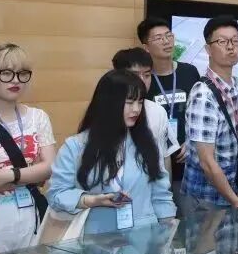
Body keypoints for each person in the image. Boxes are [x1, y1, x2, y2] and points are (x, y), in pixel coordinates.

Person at [47, 70, 175, 235]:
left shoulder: (147, 143)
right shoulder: (76, 146)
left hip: (143, 236)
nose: (136, 109)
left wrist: (167, 234)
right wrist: (91, 200)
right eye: (129, 102)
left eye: (140, 102)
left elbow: (161, 195)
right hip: (96, 238)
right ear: (108, 103)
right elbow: (57, 194)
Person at [0, 43, 56, 254]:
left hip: (33, 213)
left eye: (22, 73)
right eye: (6, 73)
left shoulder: (37, 117)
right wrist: (32, 173)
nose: (15, 80)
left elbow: (50, 167)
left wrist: (7, 176)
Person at [183, 16, 238, 210]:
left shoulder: (236, 84)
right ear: (208, 49)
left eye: (235, 40)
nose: (231, 47)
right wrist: (237, 203)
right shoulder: (203, 95)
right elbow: (207, 162)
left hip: (232, 186)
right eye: (222, 41)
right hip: (205, 197)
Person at [138, 17, 201, 196]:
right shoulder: (144, 79)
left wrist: (192, 142)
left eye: (169, 35)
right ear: (146, 47)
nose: (166, 41)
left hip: (189, 161)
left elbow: (199, 113)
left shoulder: (189, 71)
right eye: (158, 38)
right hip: (155, 163)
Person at [111, 48, 181, 160]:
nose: (142, 80)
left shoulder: (158, 111)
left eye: (147, 75)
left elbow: (165, 157)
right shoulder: (106, 111)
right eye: (135, 75)